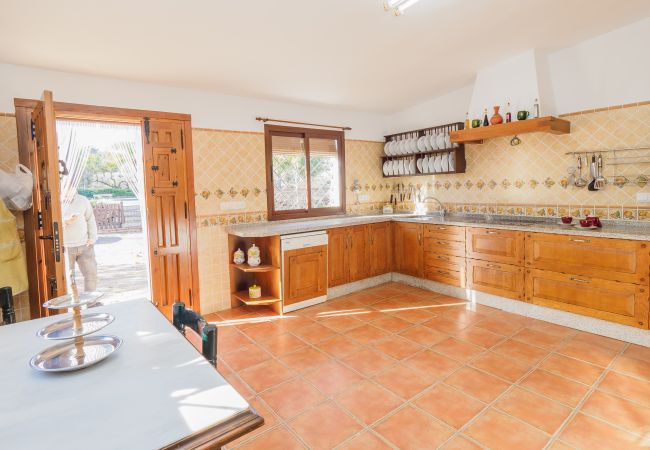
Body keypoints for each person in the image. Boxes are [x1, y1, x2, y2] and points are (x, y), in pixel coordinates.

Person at [63, 193, 98, 291]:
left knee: (91, 275)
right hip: (65, 247)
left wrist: (92, 237)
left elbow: (90, 219)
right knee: (68, 278)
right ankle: (73, 304)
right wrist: (65, 221)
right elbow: (51, 221)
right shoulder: (55, 199)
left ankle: (91, 304)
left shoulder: (83, 200)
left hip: (85, 245)